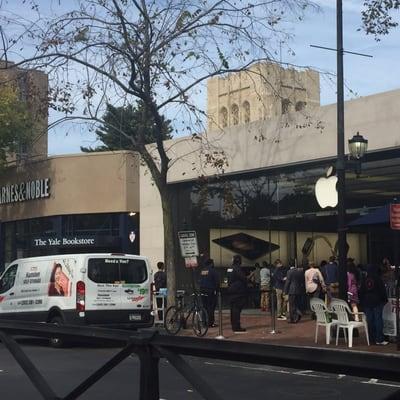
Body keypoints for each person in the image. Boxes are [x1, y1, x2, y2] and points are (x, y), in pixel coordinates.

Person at [359, 263, 389, 345]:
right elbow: (382, 291)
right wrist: (385, 300)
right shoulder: (378, 279)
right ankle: (379, 339)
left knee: (370, 320)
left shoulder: (364, 279)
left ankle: (371, 339)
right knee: (378, 319)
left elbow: (361, 292)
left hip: (366, 302)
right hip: (377, 302)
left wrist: (362, 302)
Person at [227, 254, 248, 333]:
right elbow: (244, 278)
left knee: (233, 309)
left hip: (231, 291)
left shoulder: (230, 269)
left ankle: (233, 325)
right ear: (239, 261)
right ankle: (236, 326)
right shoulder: (237, 269)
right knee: (237, 309)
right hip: (238, 292)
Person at [199, 258, 220, 327]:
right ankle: (210, 323)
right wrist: (217, 290)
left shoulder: (203, 271)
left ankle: (204, 322)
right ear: (211, 264)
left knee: (204, 307)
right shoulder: (213, 271)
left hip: (202, 291)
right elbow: (217, 282)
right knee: (211, 307)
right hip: (210, 291)